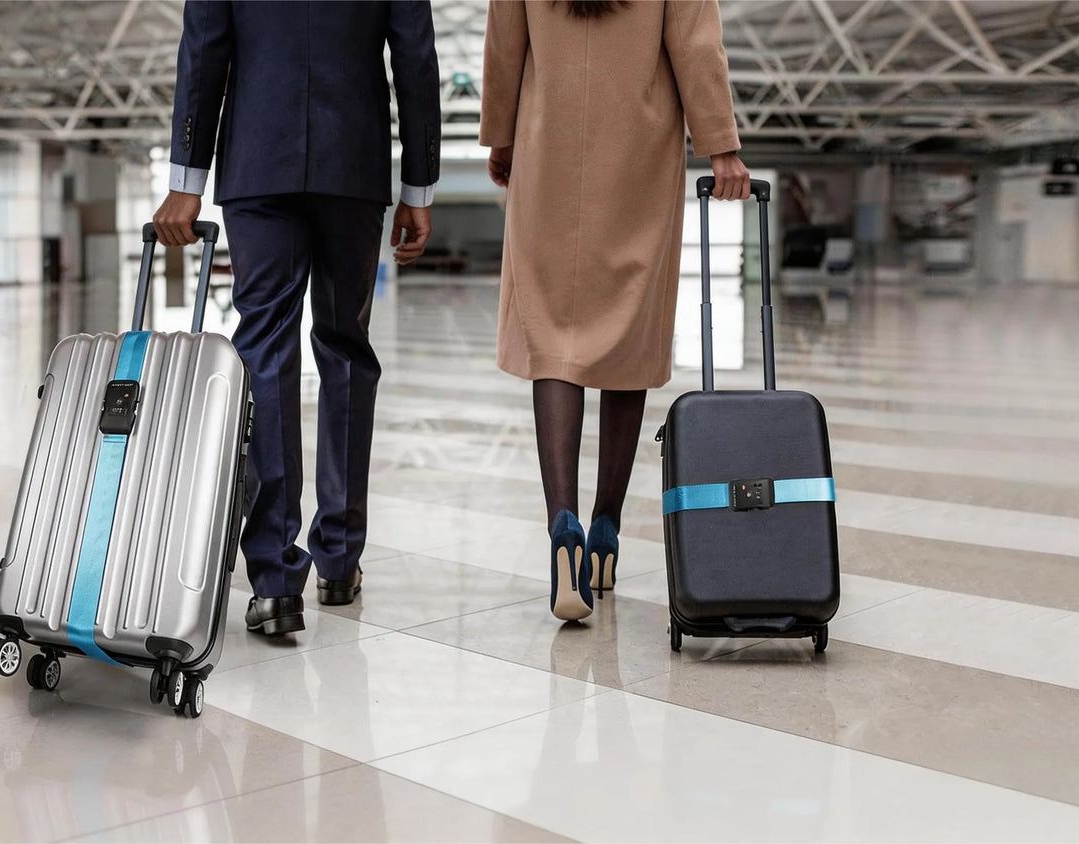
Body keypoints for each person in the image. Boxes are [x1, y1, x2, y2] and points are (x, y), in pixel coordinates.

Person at [153, 1, 440, 636]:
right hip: (353, 168)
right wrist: (419, 187)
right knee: (344, 347)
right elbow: (416, 60)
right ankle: (339, 560)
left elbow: (204, 54)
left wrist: (186, 177)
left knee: (265, 349)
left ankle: (275, 581)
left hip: (259, 163)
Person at [480, 0, 750, 621]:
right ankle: (605, 528)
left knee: (554, 339)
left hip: (547, 150)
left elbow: (503, 45)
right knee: (628, 333)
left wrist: (502, 136)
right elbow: (696, 45)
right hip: (637, 154)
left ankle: (561, 527)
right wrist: (721, 147)